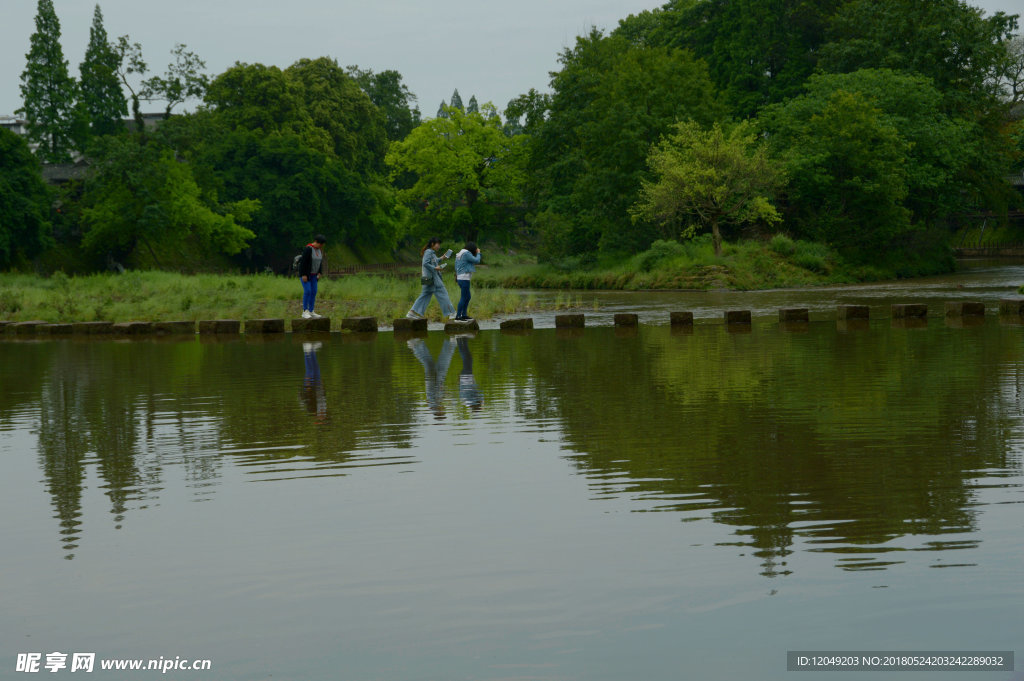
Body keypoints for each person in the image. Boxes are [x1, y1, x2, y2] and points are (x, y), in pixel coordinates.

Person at [407, 237, 457, 321]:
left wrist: (442, 258)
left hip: (427, 278)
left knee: (424, 296)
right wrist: (435, 268)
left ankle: (411, 313)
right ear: (432, 244)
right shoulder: (428, 252)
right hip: (433, 279)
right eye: (438, 244)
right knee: (443, 293)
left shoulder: (431, 253)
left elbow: (434, 261)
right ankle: (451, 313)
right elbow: (425, 263)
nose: (439, 246)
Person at [298, 235, 327, 319]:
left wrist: (320, 272)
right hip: (306, 275)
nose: (322, 246)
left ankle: (311, 311)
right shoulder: (308, 249)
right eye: (321, 244)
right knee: (308, 291)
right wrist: (304, 274)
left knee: (314, 292)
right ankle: (305, 311)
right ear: (317, 242)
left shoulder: (319, 250)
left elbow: (319, 262)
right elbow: (303, 263)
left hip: (315, 275)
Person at [453, 241, 482, 321]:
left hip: (460, 278)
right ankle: (458, 316)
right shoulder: (466, 253)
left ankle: (464, 314)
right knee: (464, 297)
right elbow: (477, 261)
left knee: (467, 296)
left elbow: (456, 266)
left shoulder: (459, 253)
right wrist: (478, 253)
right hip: (464, 278)